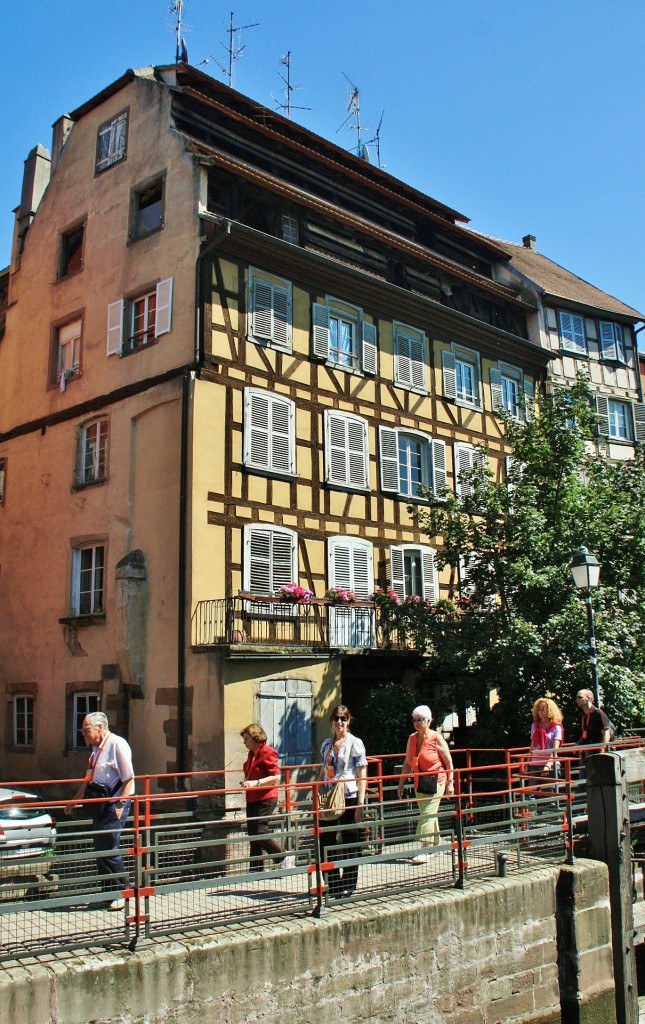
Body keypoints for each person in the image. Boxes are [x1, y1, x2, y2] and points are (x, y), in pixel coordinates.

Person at [65, 712, 134, 910]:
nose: (83, 735)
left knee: (109, 846)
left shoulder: (117, 744)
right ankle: (109, 892)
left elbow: (129, 778)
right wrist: (73, 802)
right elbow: (88, 781)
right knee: (100, 846)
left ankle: (123, 892)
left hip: (114, 803)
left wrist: (121, 804)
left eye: (86, 730)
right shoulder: (95, 750)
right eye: (83, 730)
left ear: (99, 728)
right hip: (99, 804)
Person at [317, 705, 367, 898]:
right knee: (326, 841)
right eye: (337, 718)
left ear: (348, 721)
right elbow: (323, 772)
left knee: (350, 841)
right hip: (330, 798)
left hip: (349, 797)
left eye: (343, 719)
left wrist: (360, 804)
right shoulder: (326, 744)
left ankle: (348, 884)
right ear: (332, 721)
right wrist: (316, 791)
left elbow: (362, 774)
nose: (340, 722)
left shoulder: (355, 743)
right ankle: (333, 884)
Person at [397, 705, 454, 864]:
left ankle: (424, 849)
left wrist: (451, 783)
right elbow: (407, 763)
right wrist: (401, 783)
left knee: (427, 814)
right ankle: (436, 846)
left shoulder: (436, 738)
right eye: (414, 720)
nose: (417, 723)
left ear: (428, 721)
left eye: (420, 720)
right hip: (419, 781)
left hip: (437, 780)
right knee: (428, 814)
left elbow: (448, 761)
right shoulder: (412, 738)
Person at [240, 723, 295, 872]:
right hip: (252, 797)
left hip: (266, 797)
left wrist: (255, 783)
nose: (244, 742)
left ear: (255, 738)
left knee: (260, 832)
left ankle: (283, 857)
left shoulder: (268, 752)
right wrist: (247, 781)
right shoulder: (252, 753)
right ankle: (256, 869)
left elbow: (276, 777)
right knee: (252, 834)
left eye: (246, 739)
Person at [529, 698, 564, 777]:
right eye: (539, 709)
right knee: (531, 788)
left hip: (550, 763)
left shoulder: (556, 727)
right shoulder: (534, 726)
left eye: (543, 709)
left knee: (549, 788)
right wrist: (527, 763)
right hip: (535, 763)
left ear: (550, 710)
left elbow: (555, 749)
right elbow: (532, 746)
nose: (540, 712)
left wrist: (548, 764)